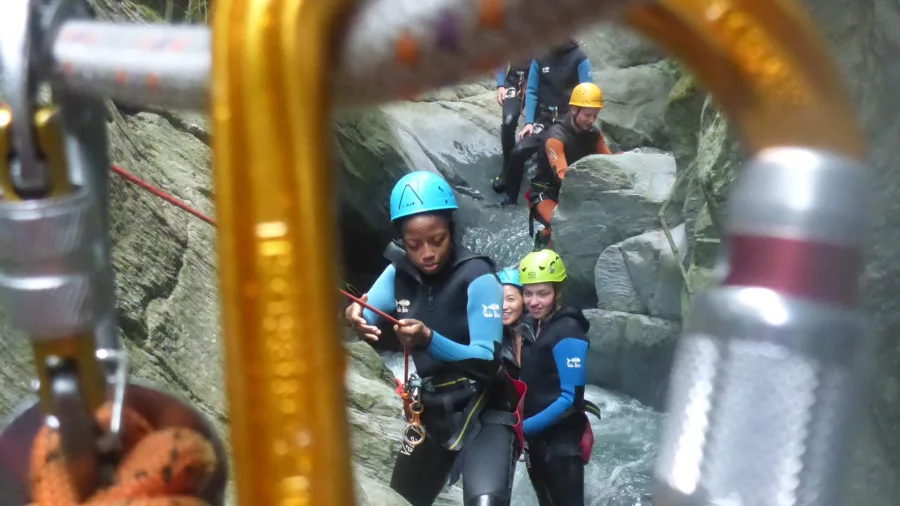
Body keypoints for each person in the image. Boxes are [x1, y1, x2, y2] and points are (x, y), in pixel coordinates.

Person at [344, 170, 521, 506]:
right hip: (432, 411)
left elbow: (486, 360)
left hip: (486, 409)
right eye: (414, 245)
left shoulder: (478, 276)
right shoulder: (398, 272)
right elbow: (365, 311)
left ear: (451, 230)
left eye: (437, 240)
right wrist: (354, 317)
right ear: (401, 241)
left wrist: (428, 340)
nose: (426, 253)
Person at [517, 249, 592, 506]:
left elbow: (570, 399)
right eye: (528, 293)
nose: (533, 302)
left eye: (543, 293)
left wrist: (522, 429)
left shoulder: (568, 331)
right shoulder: (532, 326)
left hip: (562, 443)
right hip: (536, 440)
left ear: (557, 293)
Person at [492, 40, 593, 208]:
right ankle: (510, 200)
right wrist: (529, 122)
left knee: (558, 157)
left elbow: (588, 95)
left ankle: (563, 198)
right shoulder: (541, 57)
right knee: (518, 152)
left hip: (567, 120)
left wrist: (580, 121)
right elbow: (532, 91)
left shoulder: (579, 58)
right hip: (544, 119)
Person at [528, 82, 612, 249]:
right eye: (587, 115)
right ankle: (547, 247)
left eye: (595, 115)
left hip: (573, 191)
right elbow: (563, 177)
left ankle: (546, 235)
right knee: (562, 225)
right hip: (546, 193)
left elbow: (610, 163)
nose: (591, 120)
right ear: (574, 109)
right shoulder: (555, 138)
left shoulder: (594, 135)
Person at [492, 61, 531, 194]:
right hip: (515, 81)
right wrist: (500, 85)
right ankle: (508, 167)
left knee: (539, 123)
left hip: (539, 81)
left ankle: (525, 154)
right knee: (508, 122)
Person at [496, 267, 535, 378]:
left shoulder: (538, 331)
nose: (503, 306)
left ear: (523, 300)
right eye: (498, 299)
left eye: (511, 299)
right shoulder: (492, 336)